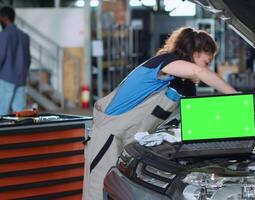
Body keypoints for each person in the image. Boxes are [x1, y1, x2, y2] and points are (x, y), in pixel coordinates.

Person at [83, 27, 237, 199]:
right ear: (193, 53)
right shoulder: (163, 63)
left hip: (132, 144)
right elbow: (198, 71)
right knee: (98, 193)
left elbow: (190, 118)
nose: (208, 68)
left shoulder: (183, 86)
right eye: (207, 62)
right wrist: (237, 97)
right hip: (110, 137)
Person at [0, 6, 31, 115]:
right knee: (20, 113)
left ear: (5, 18)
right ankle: (21, 132)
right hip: (21, 78)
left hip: (6, 78)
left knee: (1, 112)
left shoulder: (3, 35)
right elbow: (28, 59)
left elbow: (1, 56)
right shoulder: (24, 36)